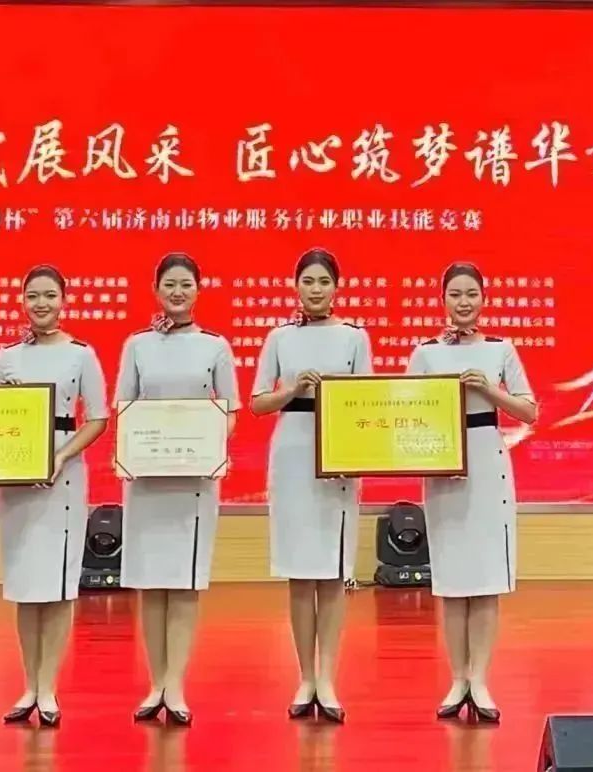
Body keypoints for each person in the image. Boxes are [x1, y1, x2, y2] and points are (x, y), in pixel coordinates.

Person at [406, 261, 536, 724]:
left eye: (471, 294)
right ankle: (457, 678)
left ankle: (480, 679)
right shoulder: (425, 353)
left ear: (483, 298)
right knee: (452, 580)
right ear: (443, 299)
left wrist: (490, 391)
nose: (463, 302)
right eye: (455, 294)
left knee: (485, 580)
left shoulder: (501, 349)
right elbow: (404, 412)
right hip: (442, 467)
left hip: (487, 463)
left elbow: (529, 411)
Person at [115, 252, 240, 727]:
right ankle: (155, 684)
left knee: (185, 584)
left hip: (194, 480)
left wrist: (207, 447)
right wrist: (133, 452)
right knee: (151, 584)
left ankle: (176, 685)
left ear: (198, 290)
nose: (177, 292)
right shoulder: (137, 345)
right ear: (156, 290)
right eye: (169, 284)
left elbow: (230, 410)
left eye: (186, 284)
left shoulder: (215, 346)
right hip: (147, 479)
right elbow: (124, 407)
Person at [250, 248, 372, 724]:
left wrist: (353, 457)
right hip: (293, 454)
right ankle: (304, 676)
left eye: (324, 281)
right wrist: (293, 390)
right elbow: (259, 402)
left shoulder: (354, 337)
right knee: (301, 572)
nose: (316, 289)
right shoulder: (279, 337)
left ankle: (328, 677)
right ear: (296, 286)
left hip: (339, 458)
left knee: (333, 572)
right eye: (308, 281)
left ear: (336, 287)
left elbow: (365, 402)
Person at [0, 264, 109, 728]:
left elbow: (97, 418)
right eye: (33, 295)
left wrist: (60, 457)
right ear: (23, 301)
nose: (41, 303)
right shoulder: (6, 359)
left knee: (58, 586)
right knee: (25, 585)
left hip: (63, 476)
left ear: (64, 300)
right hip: (18, 480)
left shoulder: (81, 355)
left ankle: (49, 688)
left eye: (49, 295)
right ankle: (28, 686)